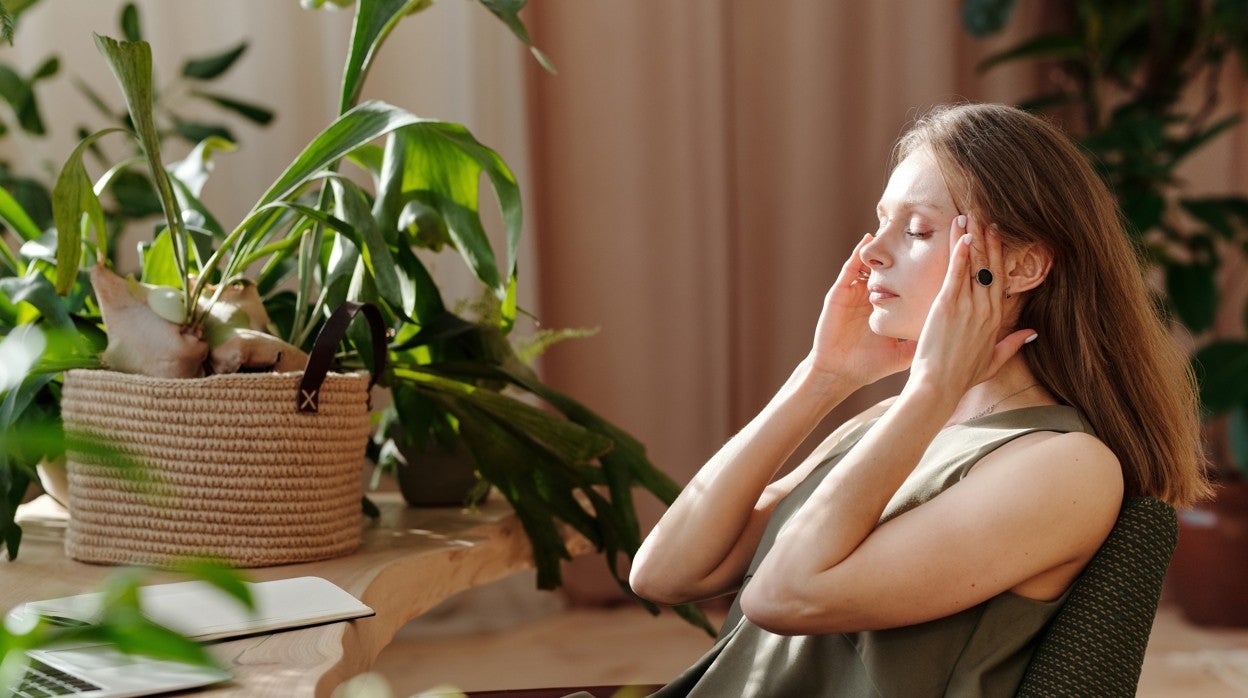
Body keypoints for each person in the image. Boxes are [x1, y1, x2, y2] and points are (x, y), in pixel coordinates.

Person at [627, 102, 1212, 697]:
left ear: (1022, 265)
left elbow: (781, 595)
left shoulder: (1064, 467)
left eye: (916, 230)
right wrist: (822, 376)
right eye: (880, 222)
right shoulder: (892, 422)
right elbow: (664, 573)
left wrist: (931, 389)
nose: (871, 253)